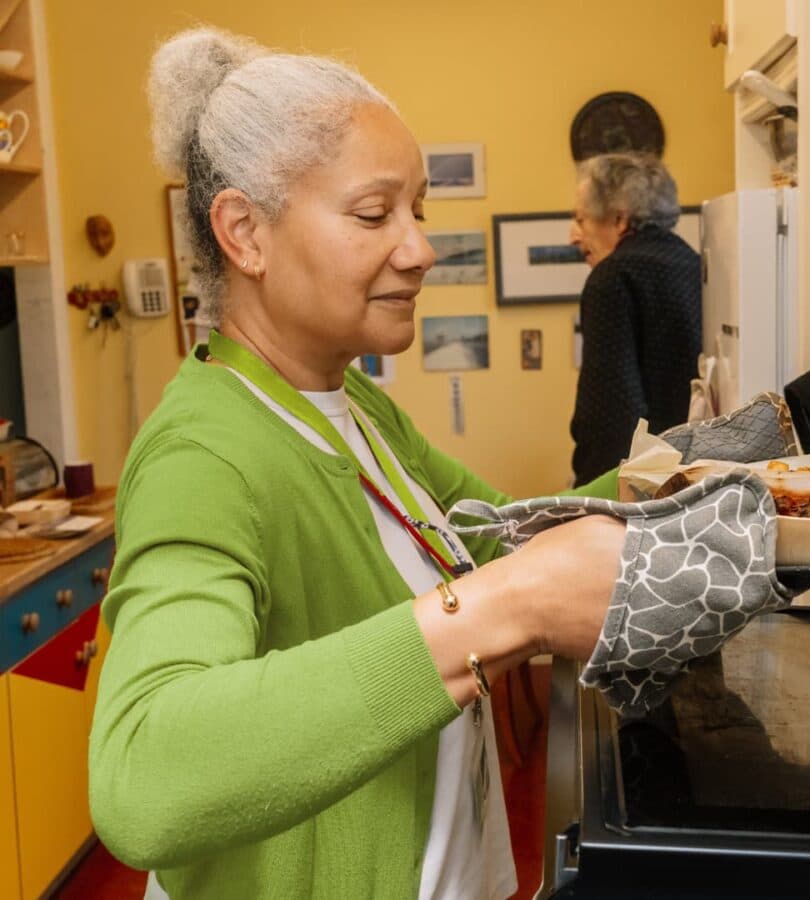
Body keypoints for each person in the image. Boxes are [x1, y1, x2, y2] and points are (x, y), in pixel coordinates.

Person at [88, 28, 626, 900]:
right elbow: (144, 772)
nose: (418, 249)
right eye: (375, 215)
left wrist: (691, 467)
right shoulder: (202, 454)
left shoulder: (354, 405)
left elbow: (508, 535)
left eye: (419, 211)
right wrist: (499, 611)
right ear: (244, 234)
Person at [568, 153, 702, 486]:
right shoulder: (693, 263)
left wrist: (586, 499)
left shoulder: (613, 276)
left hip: (641, 483)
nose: (573, 236)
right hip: (692, 470)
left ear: (618, 220)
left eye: (581, 220)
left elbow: (610, 408)